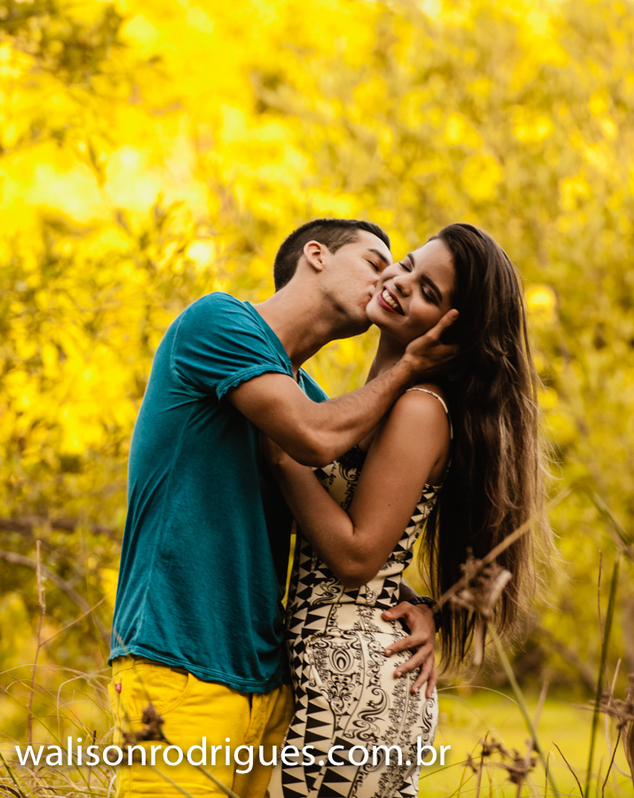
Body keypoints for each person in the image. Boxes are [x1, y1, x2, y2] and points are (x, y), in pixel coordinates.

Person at [108, 219, 459, 798]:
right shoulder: (220, 321)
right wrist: (408, 367)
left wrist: (417, 605)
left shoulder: (311, 400)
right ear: (315, 254)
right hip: (178, 665)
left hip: (274, 691)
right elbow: (312, 439)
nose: (388, 281)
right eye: (376, 263)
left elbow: (342, 529)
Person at [265, 223, 548, 797]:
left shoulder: (419, 408)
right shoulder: (385, 399)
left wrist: (281, 452)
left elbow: (358, 557)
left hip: (351, 691)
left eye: (428, 292)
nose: (399, 282)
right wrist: (419, 603)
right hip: (342, 674)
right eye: (410, 265)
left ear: (453, 334)